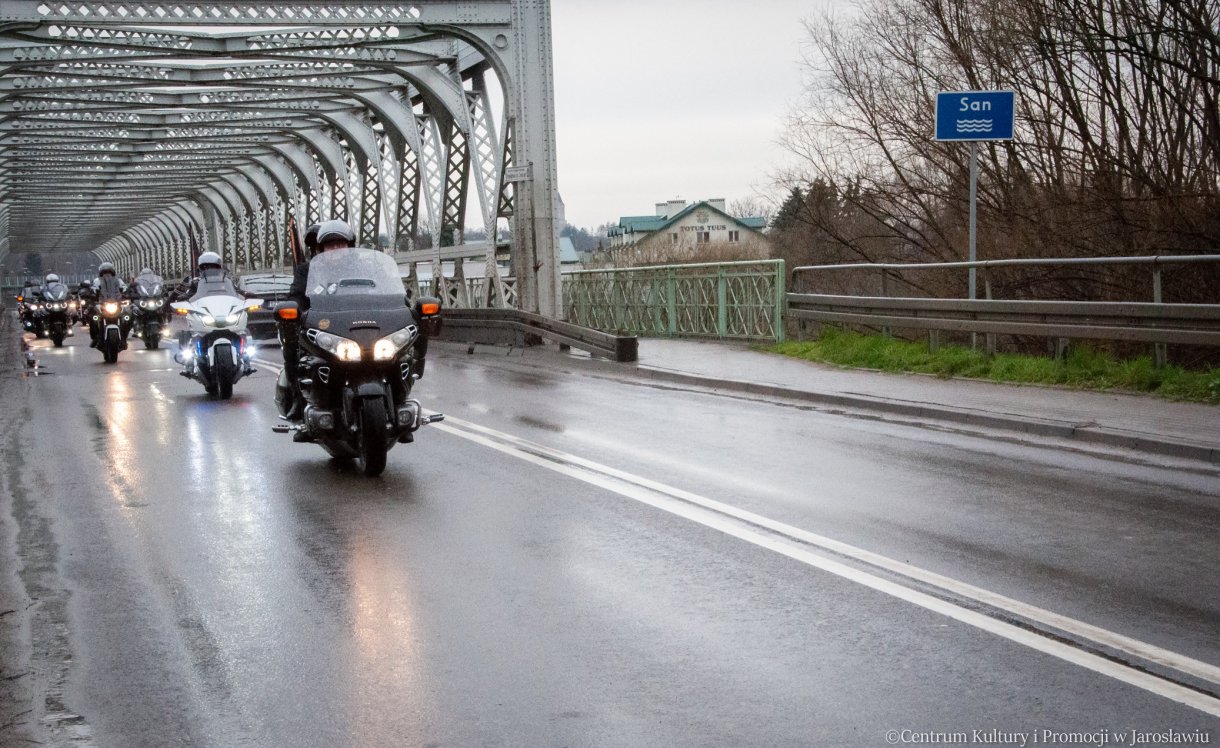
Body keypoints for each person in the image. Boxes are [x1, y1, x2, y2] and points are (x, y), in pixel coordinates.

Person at [88, 262, 128, 348]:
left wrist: (126, 294)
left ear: (112, 272)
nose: (107, 274)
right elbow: (93, 289)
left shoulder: (118, 281)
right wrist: (92, 295)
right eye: (105, 272)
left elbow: (124, 288)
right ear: (101, 273)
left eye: (109, 272)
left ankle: (124, 338)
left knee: (127, 317)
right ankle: (95, 338)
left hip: (116, 304)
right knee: (93, 318)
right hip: (103, 305)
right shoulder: (97, 281)